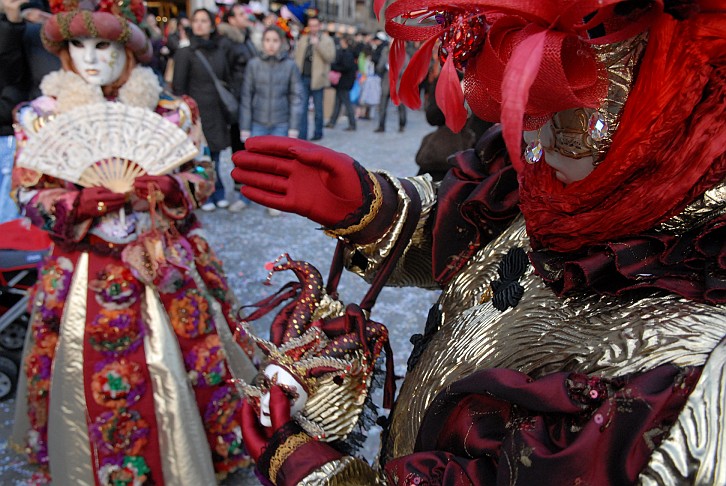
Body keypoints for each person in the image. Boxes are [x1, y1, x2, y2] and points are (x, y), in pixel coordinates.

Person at [231, 0, 726, 484]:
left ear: (671, 109)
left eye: (574, 120)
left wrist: (328, 478)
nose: (539, 143)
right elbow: (475, 237)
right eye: (530, 107)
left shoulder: (704, 359)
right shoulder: (558, 181)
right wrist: (373, 209)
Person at [9, 0, 257, 483]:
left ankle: (195, 454)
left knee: (189, 360)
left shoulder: (170, 112)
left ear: (128, 49)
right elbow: (28, 191)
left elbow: (201, 174)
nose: (90, 58)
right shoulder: (40, 117)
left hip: (162, 258)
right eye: (76, 46)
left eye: (104, 44)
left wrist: (170, 188)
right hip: (86, 268)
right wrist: (81, 204)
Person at [173, 8, 237, 212]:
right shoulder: (185, 52)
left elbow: (226, 78)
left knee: (216, 157)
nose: (199, 24)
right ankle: (204, 194)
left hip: (216, 112)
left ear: (211, 24)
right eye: (196, 20)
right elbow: (178, 87)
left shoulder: (219, 50)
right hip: (197, 115)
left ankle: (218, 190)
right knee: (200, 158)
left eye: (204, 20)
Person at [239, 26, 301, 216]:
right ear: (262, 42)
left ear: (281, 42)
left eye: (275, 40)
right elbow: (247, 96)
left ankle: (273, 201)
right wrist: (245, 126)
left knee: (277, 166)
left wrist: (294, 126)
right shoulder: (254, 64)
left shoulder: (290, 66)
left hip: (280, 122)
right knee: (252, 163)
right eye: (267, 40)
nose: (271, 44)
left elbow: (296, 96)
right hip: (257, 121)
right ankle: (245, 197)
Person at [217, 3, 257, 154]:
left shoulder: (245, 38)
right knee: (238, 138)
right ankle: (239, 175)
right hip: (237, 97)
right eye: (241, 14)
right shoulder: (227, 41)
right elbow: (223, 71)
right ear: (232, 20)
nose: (245, 16)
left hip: (249, 96)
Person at [293, 15, 335, 141]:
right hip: (303, 77)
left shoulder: (327, 40)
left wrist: (318, 46)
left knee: (318, 109)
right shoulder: (303, 39)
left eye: (315, 25)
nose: (313, 28)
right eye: (311, 26)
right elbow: (297, 57)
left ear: (319, 26)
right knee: (303, 108)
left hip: (318, 79)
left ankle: (318, 132)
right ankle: (302, 134)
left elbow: (330, 57)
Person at [325, 34, 358, 131]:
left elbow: (345, 67)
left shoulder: (348, 53)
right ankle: (332, 121)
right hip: (342, 82)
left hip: (344, 82)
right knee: (338, 103)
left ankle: (352, 124)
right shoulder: (346, 52)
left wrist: (334, 67)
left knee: (347, 104)